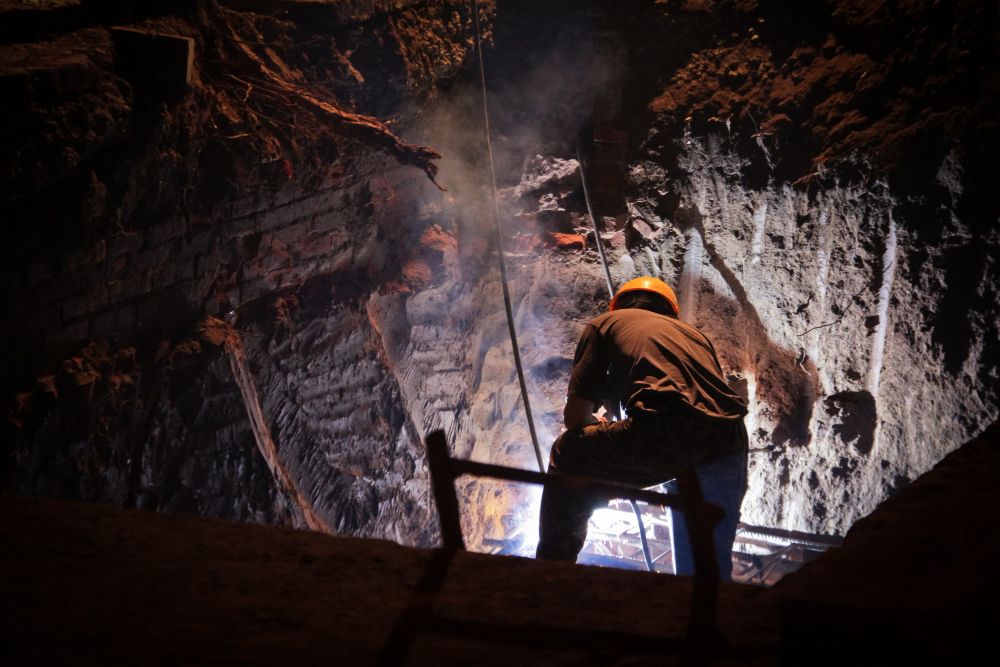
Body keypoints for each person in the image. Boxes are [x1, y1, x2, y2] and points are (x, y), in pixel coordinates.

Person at [535, 276, 748, 581]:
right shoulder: (695, 336)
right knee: (706, 565)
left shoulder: (605, 324)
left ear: (619, 304)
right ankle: (703, 615)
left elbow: (575, 417)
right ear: (670, 312)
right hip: (731, 439)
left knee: (568, 453)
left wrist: (600, 439)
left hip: (665, 428)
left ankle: (548, 574)